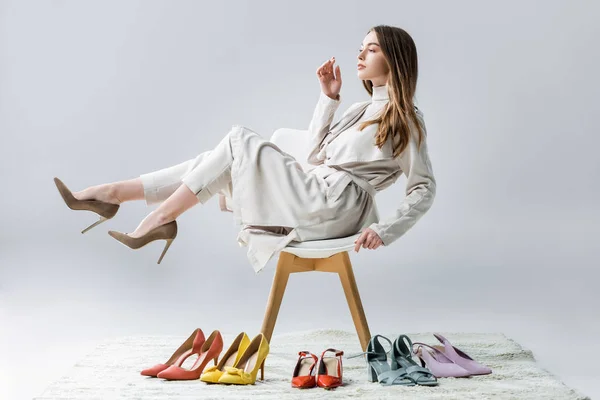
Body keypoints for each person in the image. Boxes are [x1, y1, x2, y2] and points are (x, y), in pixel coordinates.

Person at [54, 25, 437, 273]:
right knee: (213, 161)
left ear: (395, 59)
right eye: (361, 47)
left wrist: (386, 231)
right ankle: (115, 195)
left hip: (337, 208)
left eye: (371, 49)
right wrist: (329, 99)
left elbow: (424, 187)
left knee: (238, 140)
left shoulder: (405, 118)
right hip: (315, 193)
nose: (360, 54)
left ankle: (153, 217)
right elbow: (315, 156)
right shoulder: (357, 109)